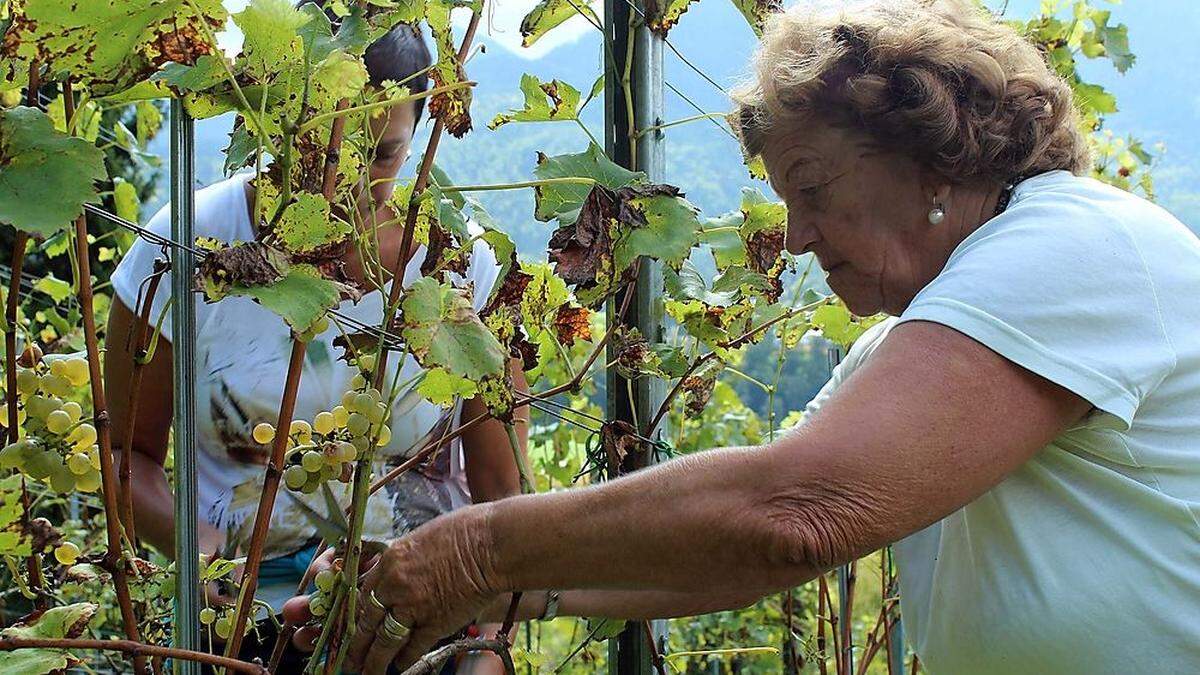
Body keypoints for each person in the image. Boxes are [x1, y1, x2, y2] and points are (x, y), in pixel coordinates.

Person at [284, 1, 1200, 673]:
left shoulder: (1077, 245)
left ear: (930, 151)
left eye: (810, 186)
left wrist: (476, 550)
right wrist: (491, 594)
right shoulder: (914, 342)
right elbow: (724, 559)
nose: (796, 237)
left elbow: (793, 515)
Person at [105, 7, 525, 672]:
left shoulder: (459, 264)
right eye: (318, 150)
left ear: (420, 131)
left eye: (381, 153)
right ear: (275, 119)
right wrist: (203, 552)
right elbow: (126, 451)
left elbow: (504, 494)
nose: (345, 183)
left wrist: (487, 649)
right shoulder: (190, 238)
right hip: (243, 631)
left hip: (422, 628)